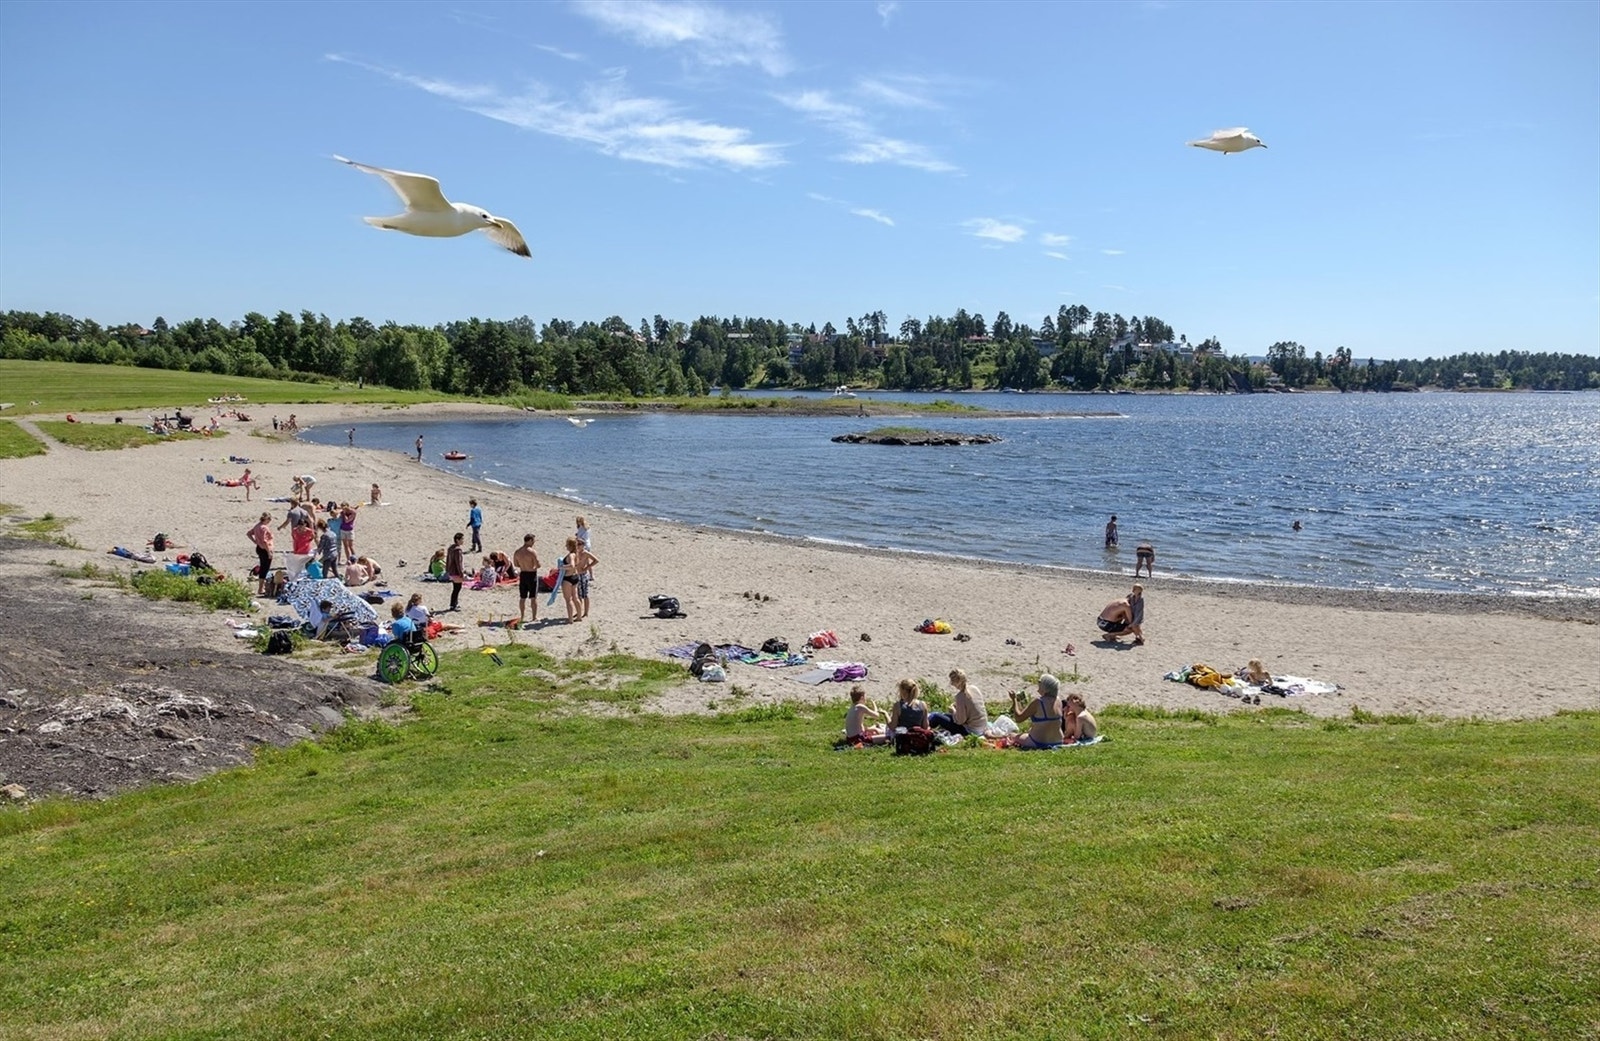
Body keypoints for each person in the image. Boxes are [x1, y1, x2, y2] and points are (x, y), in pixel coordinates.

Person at [1009, 675, 1066, 750]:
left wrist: (1014, 700)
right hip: (1058, 741)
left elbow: (1018, 718)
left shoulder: (1038, 702)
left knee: (1012, 735)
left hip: (1038, 742)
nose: (1038, 683)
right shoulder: (1058, 701)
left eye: (1040, 682)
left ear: (1046, 687)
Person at [930, 668, 989, 737]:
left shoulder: (960, 696)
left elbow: (960, 721)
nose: (951, 683)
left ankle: (924, 727)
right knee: (942, 715)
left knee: (937, 716)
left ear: (956, 682)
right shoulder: (974, 688)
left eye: (952, 681)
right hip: (983, 727)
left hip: (970, 731)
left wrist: (953, 711)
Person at [560, 535, 599, 622]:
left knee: (574, 598)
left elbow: (572, 565)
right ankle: (579, 615)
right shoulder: (577, 554)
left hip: (574, 576)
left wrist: (561, 567)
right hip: (576, 576)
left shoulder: (577, 554)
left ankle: (579, 615)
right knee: (577, 596)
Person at [513, 533, 542, 625]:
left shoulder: (517, 552)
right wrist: (533, 566)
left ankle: (522, 616)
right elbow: (538, 565)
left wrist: (524, 564)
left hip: (523, 574)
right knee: (533, 597)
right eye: (533, 541)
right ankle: (534, 617)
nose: (534, 542)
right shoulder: (532, 552)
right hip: (531, 574)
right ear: (529, 540)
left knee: (522, 597)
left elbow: (516, 564)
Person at [246, 512, 274, 596]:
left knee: (263, 566)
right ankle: (261, 588)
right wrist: (269, 552)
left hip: (259, 548)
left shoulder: (257, 526)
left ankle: (262, 587)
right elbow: (265, 541)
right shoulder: (264, 528)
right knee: (265, 568)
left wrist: (255, 541)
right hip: (265, 549)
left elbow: (249, 533)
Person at [445, 531, 466, 612]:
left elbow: (448, 559)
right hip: (456, 572)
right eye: (462, 539)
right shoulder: (457, 550)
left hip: (451, 571)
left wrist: (447, 569)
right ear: (457, 540)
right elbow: (458, 563)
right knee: (457, 588)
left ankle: (454, 604)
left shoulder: (451, 548)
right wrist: (461, 573)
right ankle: (453, 605)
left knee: (455, 588)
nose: (463, 541)